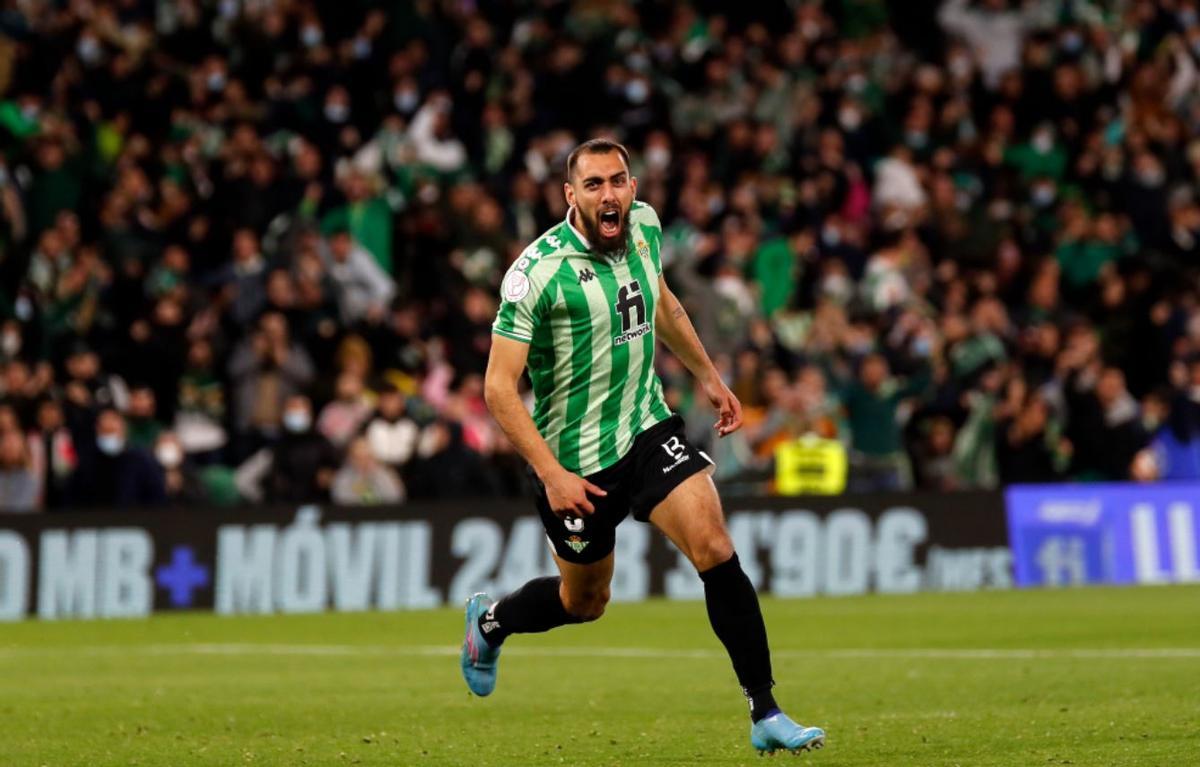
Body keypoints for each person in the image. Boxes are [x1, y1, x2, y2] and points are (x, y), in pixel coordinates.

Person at [460, 139, 825, 755]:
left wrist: (709, 375)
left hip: (647, 428)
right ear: (570, 195)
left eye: (619, 181)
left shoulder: (647, 227)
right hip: (573, 461)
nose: (611, 195)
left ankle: (765, 710)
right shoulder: (537, 273)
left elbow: (662, 300)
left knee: (714, 544)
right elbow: (498, 390)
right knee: (585, 601)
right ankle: (490, 624)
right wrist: (550, 473)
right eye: (596, 184)